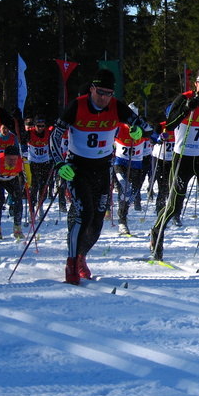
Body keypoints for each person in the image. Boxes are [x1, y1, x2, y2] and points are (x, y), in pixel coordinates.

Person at [49, 69, 150, 284]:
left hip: (103, 168)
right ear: (92, 89)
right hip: (77, 167)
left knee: (97, 221)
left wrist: (139, 130)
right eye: (100, 92)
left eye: (109, 93)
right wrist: (59, 163)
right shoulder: (77, 105)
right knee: (84, 213)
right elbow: (54, 136)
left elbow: (145, 127)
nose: (104, 98)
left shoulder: (117, 106)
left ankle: (81, 256)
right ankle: (71, 263)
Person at [149, 65, 199, 269]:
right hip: (182, 159)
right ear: (197, 84)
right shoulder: (184, 99)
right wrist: (186, 109)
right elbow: (169, 125)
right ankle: (157, 231)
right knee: (174, 206)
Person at [113, 104, 147, 235]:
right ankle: (122, 221)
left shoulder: (142, 126)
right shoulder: (118, 127)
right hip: (120, 163)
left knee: (132, 194)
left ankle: (123, 212)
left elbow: (155, 135)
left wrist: (160, 138)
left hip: (136, 165)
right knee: (124, 188)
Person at [0, 144, 24, 240]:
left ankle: (17, 228)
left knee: (18, 199)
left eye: (14, 159)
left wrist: (26, 183)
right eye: (10, 159)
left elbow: (24, 175)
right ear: (5, 157)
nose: (12, 162)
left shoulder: (21, 162)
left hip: (11, 179)